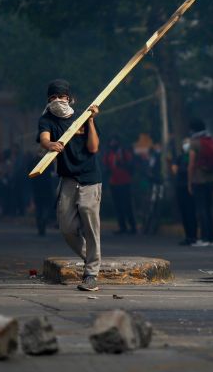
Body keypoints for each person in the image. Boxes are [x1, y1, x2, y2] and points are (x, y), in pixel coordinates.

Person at [37, 79, 102, 292]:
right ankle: (91, 256)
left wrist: (91, 121)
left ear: (69, 98)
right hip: (67, 179)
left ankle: (91, 273)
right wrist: (50, 145)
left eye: (61, 97)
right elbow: (45, 138)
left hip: (90, 177)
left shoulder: (82, 117)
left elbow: (93, 148)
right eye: (53, 98)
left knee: (89, 218)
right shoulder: (47, 119)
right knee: (66, 226)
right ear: (48, 100)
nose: (58, 101)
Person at [188, 119, 213, 247]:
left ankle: (204, 238)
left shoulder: (194, 143)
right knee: (208, 209)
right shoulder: (211, 141)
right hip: (210, 180)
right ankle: (212, 238)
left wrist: (189, 181)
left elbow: (191, 164)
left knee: (201, 209)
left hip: (198, 180)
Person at [103, 136, 137, 235]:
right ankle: (122, 226)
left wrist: (122, 164)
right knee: (118, 206)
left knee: (128, 205)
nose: (113, 144)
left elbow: (131, 164)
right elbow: (106, 167)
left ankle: (133, 226)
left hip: (125, 182)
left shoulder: (123, 152)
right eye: (111, 142)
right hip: (113, 182)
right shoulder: (108, 154)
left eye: (114, 141)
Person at [174, 138, 197, 245]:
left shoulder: (194, 156)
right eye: (184, 143)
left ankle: (193, 236)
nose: (186, 145)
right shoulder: (180, 157)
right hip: (180, 186)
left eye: (188, 143)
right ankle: (188, 236)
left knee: (191, 212)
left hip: (191, 186)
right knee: (184, 212)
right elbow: (174, 170)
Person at [142, 144, 164, 235]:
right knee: (153, 206)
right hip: (157, 183)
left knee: (153, 206)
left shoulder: (155, 157)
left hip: (156, 184)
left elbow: (150, 170)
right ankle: (149, 227)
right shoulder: (157, 156)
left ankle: (149, 227)